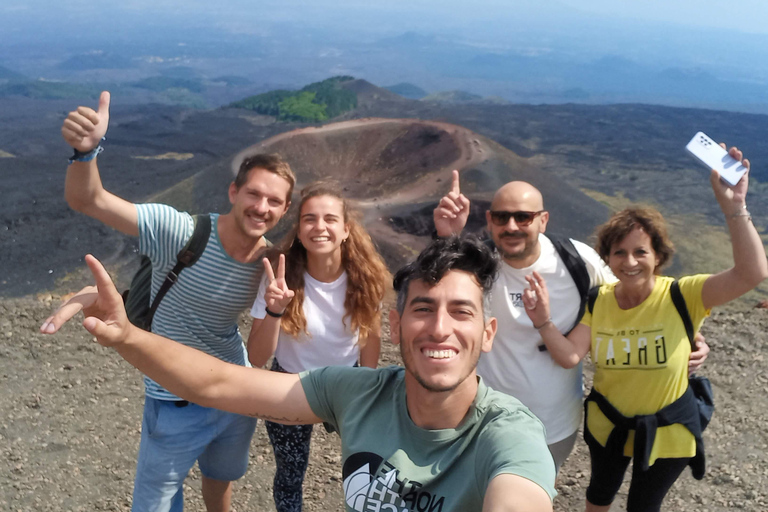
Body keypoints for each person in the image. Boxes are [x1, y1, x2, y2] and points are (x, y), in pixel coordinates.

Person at [42, 236, 557, 512]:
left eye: (461, 312)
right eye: (423, 309)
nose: (439, 329)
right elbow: (222, 384)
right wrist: (129, 335)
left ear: (488, 332)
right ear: (396, 325)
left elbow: (518, 497)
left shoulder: (509, 434)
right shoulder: (358, 392)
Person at [43, 91, 294, 512]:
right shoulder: (179, 232)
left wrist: (273, 311)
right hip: (174, 398)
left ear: (284, 210)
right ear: (233, 192)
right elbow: (89, 200)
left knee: (222, 479)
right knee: (156, 504)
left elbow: (257, 353)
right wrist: (85, 154)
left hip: (236, 393)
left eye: (274, 201)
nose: (261, 207)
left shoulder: (268, 266)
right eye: (254, 194)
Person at [522, 146, 768, 512]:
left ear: (658, 255)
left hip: (668, 431)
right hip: (609, 426)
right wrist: (541, 320)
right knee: (599, 496)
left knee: (643, 506)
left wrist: (735, 206)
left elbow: (752, 274)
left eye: (641, 251)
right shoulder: (599, 300)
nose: (630, 261)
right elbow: (570, 354)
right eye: (619, 252)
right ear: (607, 257)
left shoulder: (684, 294)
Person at [433, 171, 710, 471]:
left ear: (543, 220)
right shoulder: (476, 263)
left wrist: (687, 336)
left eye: (523, 217)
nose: (511, 226)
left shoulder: (577, 261)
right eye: (501, 217)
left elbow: (635, 296)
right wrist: (447, 237)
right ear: (489, 220)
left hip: (553, 424)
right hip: (482, 417)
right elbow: (431, 297)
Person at [247, 182, 390, 512]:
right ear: (298, 230)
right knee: (290, 473)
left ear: (345, 230)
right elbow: (256, 357)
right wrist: (274, 310)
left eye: (329, 219)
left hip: (347, 383)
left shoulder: (365, 278)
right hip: (290, 383)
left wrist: (367, 389)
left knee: (364, 469)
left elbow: (370, 336)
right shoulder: (280, 278)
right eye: (309, 219)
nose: (319, 227)